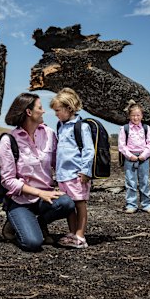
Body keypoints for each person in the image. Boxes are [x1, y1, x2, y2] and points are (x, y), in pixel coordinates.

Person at [0, 93, 76, 252]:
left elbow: (58, 163)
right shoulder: (9, 140)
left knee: (67, 203)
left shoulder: (49, 134)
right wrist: (40, 193)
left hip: (44, 200)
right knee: (33, 243)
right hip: (20, 201)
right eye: (40, 108)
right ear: (29, 112)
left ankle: (39, 223)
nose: (44, 111)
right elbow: (7, 181)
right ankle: (13, 223)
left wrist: (81, 172)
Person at [50, 88, 94, 249]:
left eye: (57, 111)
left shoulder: (81, 127)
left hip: (76, 174)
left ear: (69, 108)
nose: (56, 114)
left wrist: (85, 171)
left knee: (80, 204)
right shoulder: (60, 126)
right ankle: (73, 233)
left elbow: (89, 150)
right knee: (69, 205)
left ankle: (80, 236)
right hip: (63, 175)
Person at [118, 101, 150, 214]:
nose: (136, 117)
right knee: (130, 182)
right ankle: (131, 205)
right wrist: (130, 156)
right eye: (133, 115)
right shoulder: (124, 129)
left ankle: (147, 204)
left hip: (144, 157)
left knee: (144, 181)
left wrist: (144, 155)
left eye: (138, 115)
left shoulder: (146, 128)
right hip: (130, 158)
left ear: (142, 116)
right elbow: (121, 145)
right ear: (129, 116)